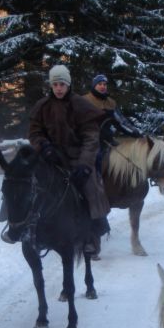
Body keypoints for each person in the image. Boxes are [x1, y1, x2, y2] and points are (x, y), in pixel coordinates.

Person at [27, 64, 111, 252]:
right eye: (55, 84)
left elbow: (91, 138)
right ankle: (20, 228)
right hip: (50, 159)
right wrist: (44, 146)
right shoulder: (42, 106)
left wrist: (84, 164)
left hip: (76, 158)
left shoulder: (80, 104)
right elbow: (34, 133)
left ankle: (94, 230)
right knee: (24, 181)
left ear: (68, 85)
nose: (58, 88)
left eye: (62, 84)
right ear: (51, 85)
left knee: (90, 186)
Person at [82, 73, 142, 147]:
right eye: (99, 84)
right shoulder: (84, 101)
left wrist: (135, 133)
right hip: (88, 142)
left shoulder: (111, 103)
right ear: (94, 86)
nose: (102, 86)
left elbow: (121, 122)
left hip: (107, 141)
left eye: (104, 84)